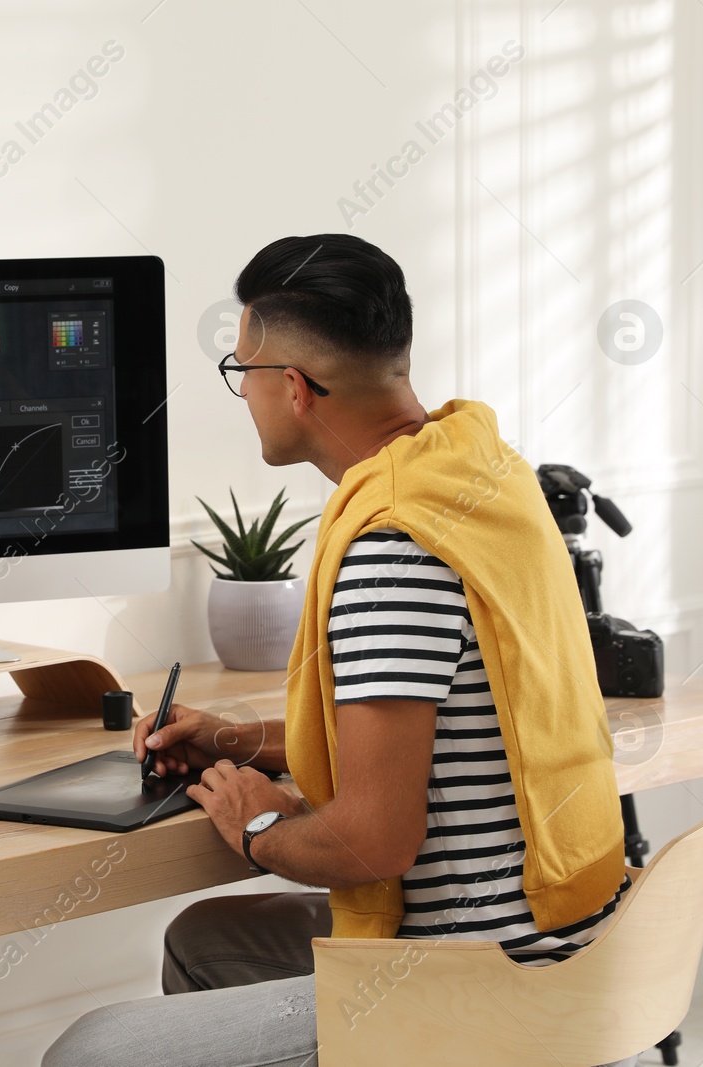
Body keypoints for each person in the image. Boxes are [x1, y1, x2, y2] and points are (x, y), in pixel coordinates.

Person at [42, 235, 634, 1067]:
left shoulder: (393, 544)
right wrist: (236, 739)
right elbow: (433, 732)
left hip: (479, 998)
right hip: (577, 955)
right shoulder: (482, 475)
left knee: (89, 1052)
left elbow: (372, 843)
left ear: (291, 387)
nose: (241, 392)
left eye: (241, 370)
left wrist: (258, 825)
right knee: (205, 939)